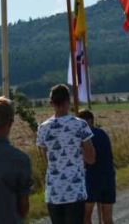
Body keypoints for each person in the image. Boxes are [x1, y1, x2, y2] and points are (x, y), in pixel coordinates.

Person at [36, 85, 95, 224]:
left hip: (54, 192)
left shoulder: (43, 128)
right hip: (75, 190)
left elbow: (45, 158)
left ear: (51, 103)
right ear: (69, 101)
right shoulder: (80, 125)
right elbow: (91, 158)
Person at [78, 110, 116, 224]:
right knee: (107, 217)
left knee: (86, 216)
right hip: (108, 178)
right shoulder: (103, 134)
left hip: (92, 178)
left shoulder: (85, 137)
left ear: (88, 121)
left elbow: (86, 159)